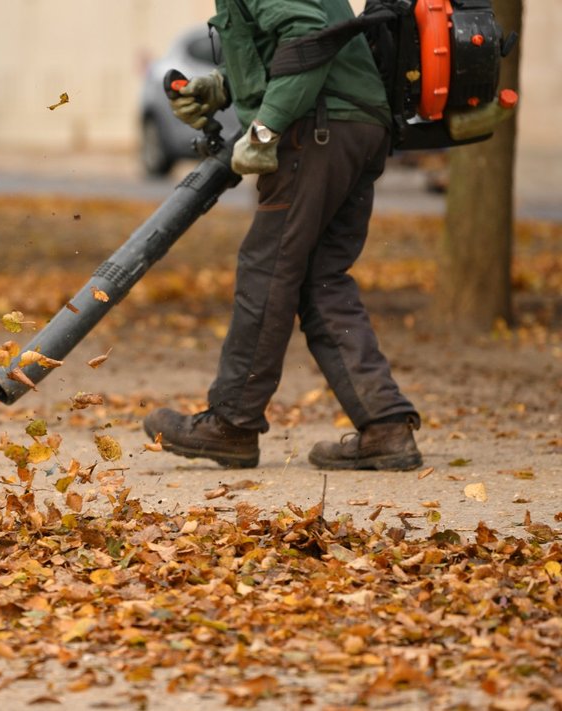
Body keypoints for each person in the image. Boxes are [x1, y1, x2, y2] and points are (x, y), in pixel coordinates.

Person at [144, 0, 423, 471]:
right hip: (357, 123)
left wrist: (267, 124)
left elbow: (305, 32)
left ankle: (232, 423)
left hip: (316, 130)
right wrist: (225, 85)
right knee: (323, 279)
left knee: (268, 272)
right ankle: (386, 427)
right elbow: (295, 40)